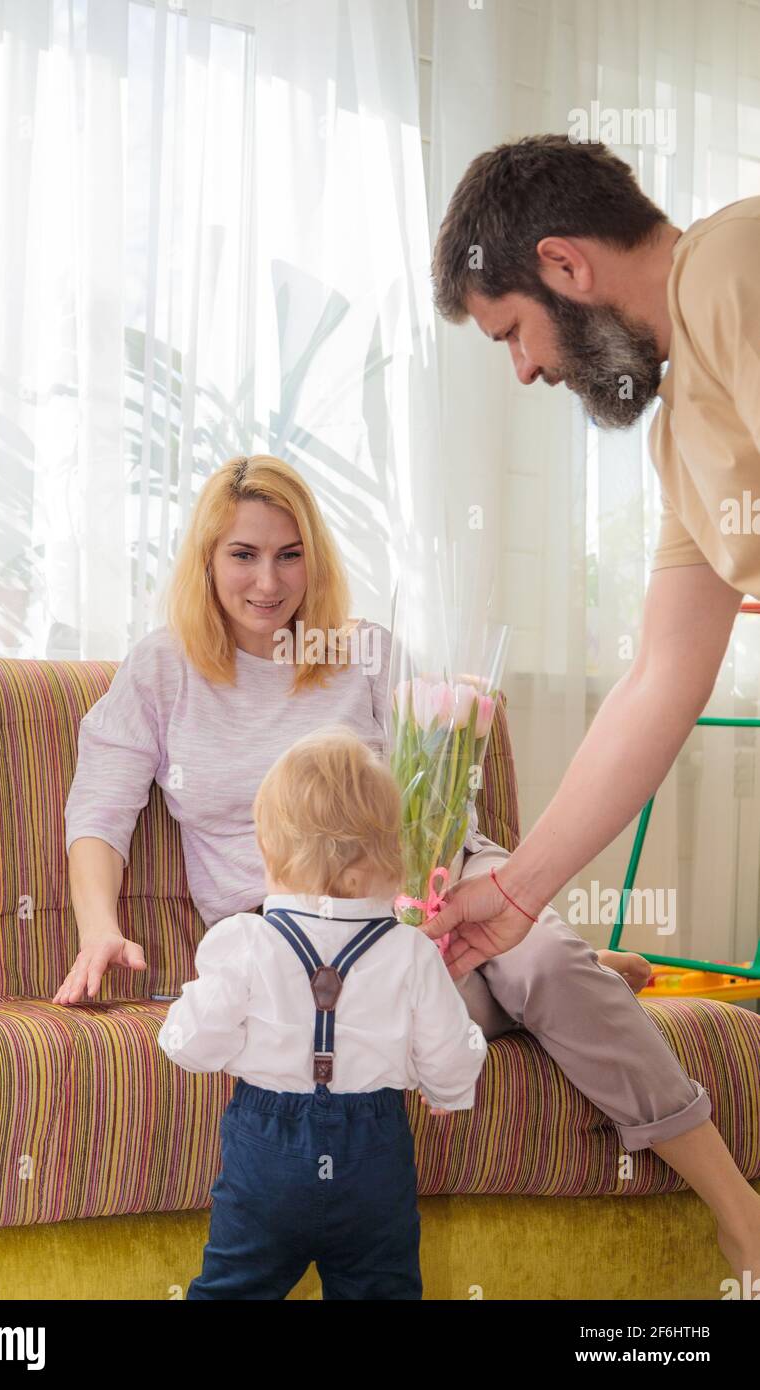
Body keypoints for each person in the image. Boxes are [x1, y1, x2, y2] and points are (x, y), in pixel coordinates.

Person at [57, 452, 756, 1279]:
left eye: (289, 554)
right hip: (295, 928)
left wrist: (423, 896)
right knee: (416, 1003)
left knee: (540, 965)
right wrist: (97, 929)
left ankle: (741, 1216)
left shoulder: (365, 651)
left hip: (435, 883)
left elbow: (441, 793)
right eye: (242, 555)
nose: (268, 582)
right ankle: (569, 971)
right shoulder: (163, 670)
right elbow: (99, 809)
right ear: (206, 561)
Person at [429, 134, 760, 1277]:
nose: (523, 371)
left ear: (564, 266)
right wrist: (516, 892)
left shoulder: (729, 268)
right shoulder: (680, 440)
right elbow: (658, 682)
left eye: (509, 332)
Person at [157, 726, 485, 1299]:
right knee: (381, 1289)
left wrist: (210, 1024)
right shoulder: (408, 950)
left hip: (266, 1156)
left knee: (233, 1288)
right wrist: (448, 1089)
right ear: (390, 853)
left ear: (270, 851)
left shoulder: (246, 941)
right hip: (374, 1156)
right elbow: (451, 1054)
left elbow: (191, 1046)